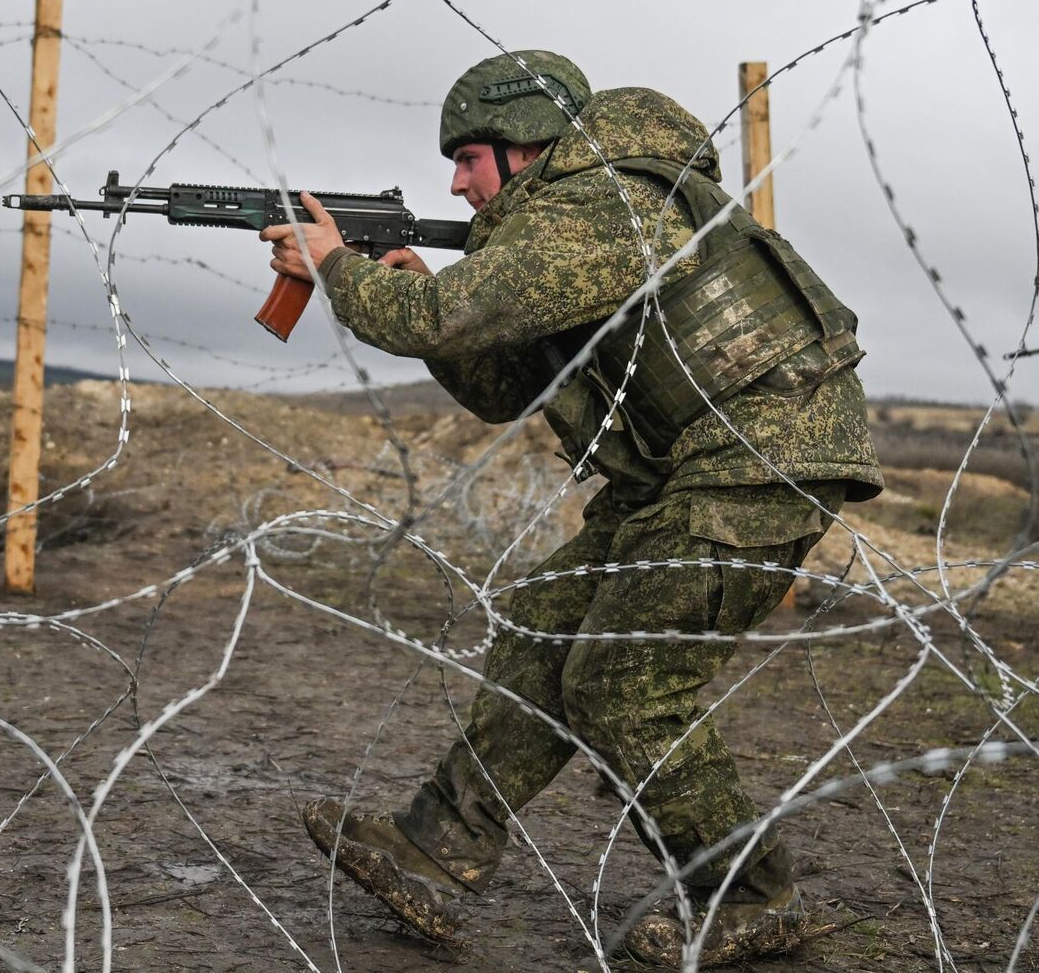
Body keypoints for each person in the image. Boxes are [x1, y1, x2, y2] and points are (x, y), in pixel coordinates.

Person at [256, 50, 884, 965]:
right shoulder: (561, 231)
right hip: (682, 474)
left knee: (622, 681)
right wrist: (393, 277)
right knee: (545, 627)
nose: (456, 180)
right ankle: (436, 849)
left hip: (755, 464)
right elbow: (502, 384)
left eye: (468, 157)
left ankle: (751, 897)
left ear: (524, 145)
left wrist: (343, 270)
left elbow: (433, 319)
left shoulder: (605, 205)